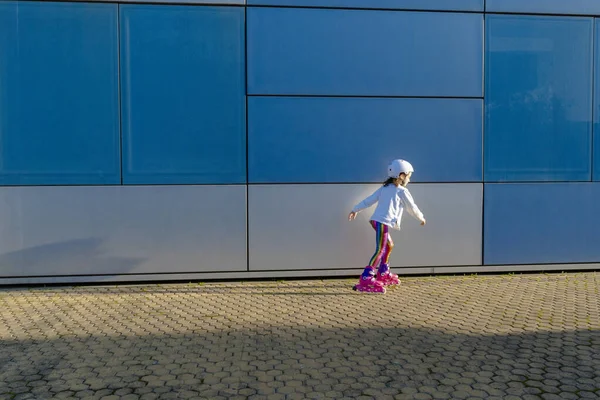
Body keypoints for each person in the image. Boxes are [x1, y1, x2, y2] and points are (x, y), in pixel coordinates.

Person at [348, 159, 426, 293]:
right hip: (382, 222)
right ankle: (366, 278)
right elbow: (412, 207)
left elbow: (369, 200)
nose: (409, 179)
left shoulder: (384, 189)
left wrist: (356, 209)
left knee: (389, 245)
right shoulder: (402, 191)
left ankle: (383, 272)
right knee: (380, 249)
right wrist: (421, 217)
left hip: (377, 221)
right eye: (409, 176)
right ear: (402, 176)